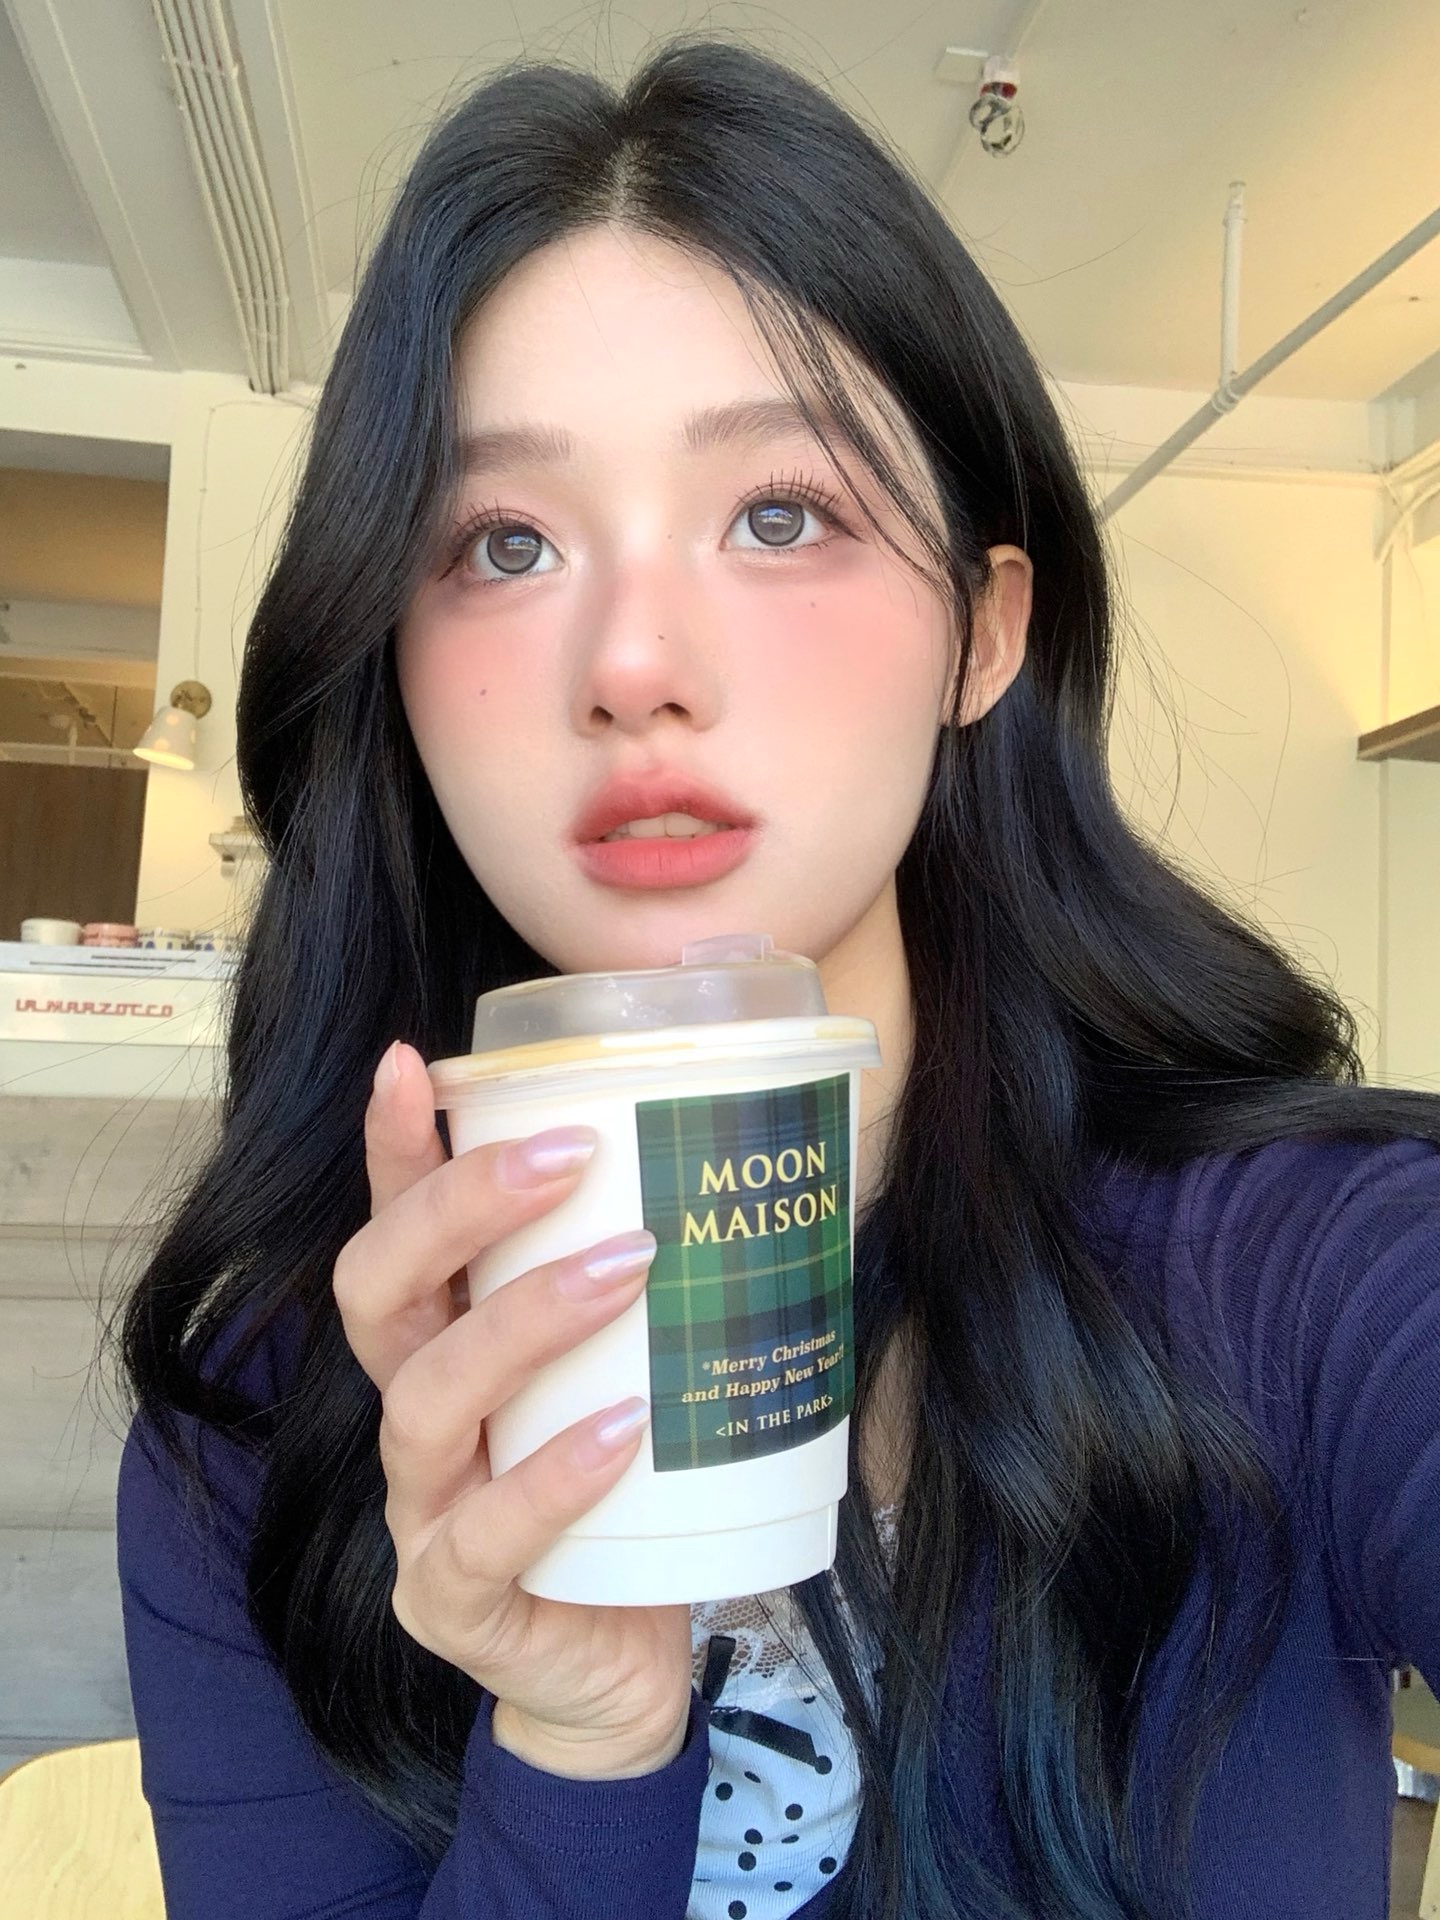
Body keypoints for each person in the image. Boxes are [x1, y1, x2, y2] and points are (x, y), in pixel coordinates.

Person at [110, 34, 1440, 1920]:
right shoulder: (255, 1430)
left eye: (780, 516)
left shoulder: (1308, 1268)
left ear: (982, 634)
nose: (634, 664)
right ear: (392, 662)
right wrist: (574, 1740)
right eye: (504, 542)